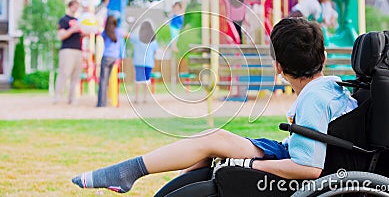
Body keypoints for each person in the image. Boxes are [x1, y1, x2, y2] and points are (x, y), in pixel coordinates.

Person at [71, 17, 358, 194]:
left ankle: (129, 172)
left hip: (291, 164)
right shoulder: (332, 85)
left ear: (278, 67)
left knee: (213, 140)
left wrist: (251, 167)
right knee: (212, 141)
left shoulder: (313, 98)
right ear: (323, 57)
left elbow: (308, 169)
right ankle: (147, 182)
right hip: (288, 151)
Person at [54, 0, 82, 105]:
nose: (76, 9)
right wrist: (72, 29)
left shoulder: (79, 21)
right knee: (64, 73)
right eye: (75, 6)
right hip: (67, 50)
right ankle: (58, 96)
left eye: (77, 7)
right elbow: (61, 36)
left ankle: (72, 98)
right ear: (70, 6)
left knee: (76, 76)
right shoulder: (63, 20)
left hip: (78, 50)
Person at [96, 15, 125, 107]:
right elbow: (122, 43)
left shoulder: (105, 32)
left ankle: (101, 103)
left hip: (106, 57)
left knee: (103, 81)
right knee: (113, 80)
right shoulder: (119, 31)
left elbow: (100, 35)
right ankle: (114, 101)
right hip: (115, 58)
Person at [130, 21, 158, 103]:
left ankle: (136, 98)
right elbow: (155, 51)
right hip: (149, 62)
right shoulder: (153, 40)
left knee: (138, 80)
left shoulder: (137, 37)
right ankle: (145, 98)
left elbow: (130, 37)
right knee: (147, 80)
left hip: (138, 62)